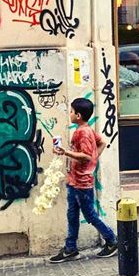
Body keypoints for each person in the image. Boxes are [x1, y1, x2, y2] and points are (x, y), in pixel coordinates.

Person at [49, 98, 118, 263]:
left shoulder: (82, 132)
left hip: (81, 183)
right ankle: (70, 248)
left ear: (78, 115)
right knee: (72, 215)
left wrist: (66, 152)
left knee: (90, 215)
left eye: (72, 111)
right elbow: (102, 143)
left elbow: (86, 156)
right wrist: (93, 159)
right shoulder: (86, 129)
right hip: (75, 181)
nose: (70, 114)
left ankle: (112, 241)